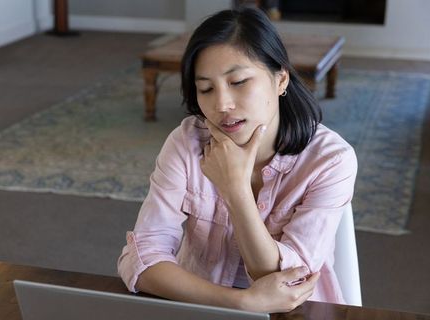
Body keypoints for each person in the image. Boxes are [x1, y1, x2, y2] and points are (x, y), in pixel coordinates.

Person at [118, 7, 357, 313]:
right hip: (201, 308)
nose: (222, 104)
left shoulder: (331, 161)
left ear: (281, 79)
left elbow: (284, 281)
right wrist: (241, 302)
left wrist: (236, 190)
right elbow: (140, 259)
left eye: (239, 82)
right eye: (206, 88)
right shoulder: (187, 141)